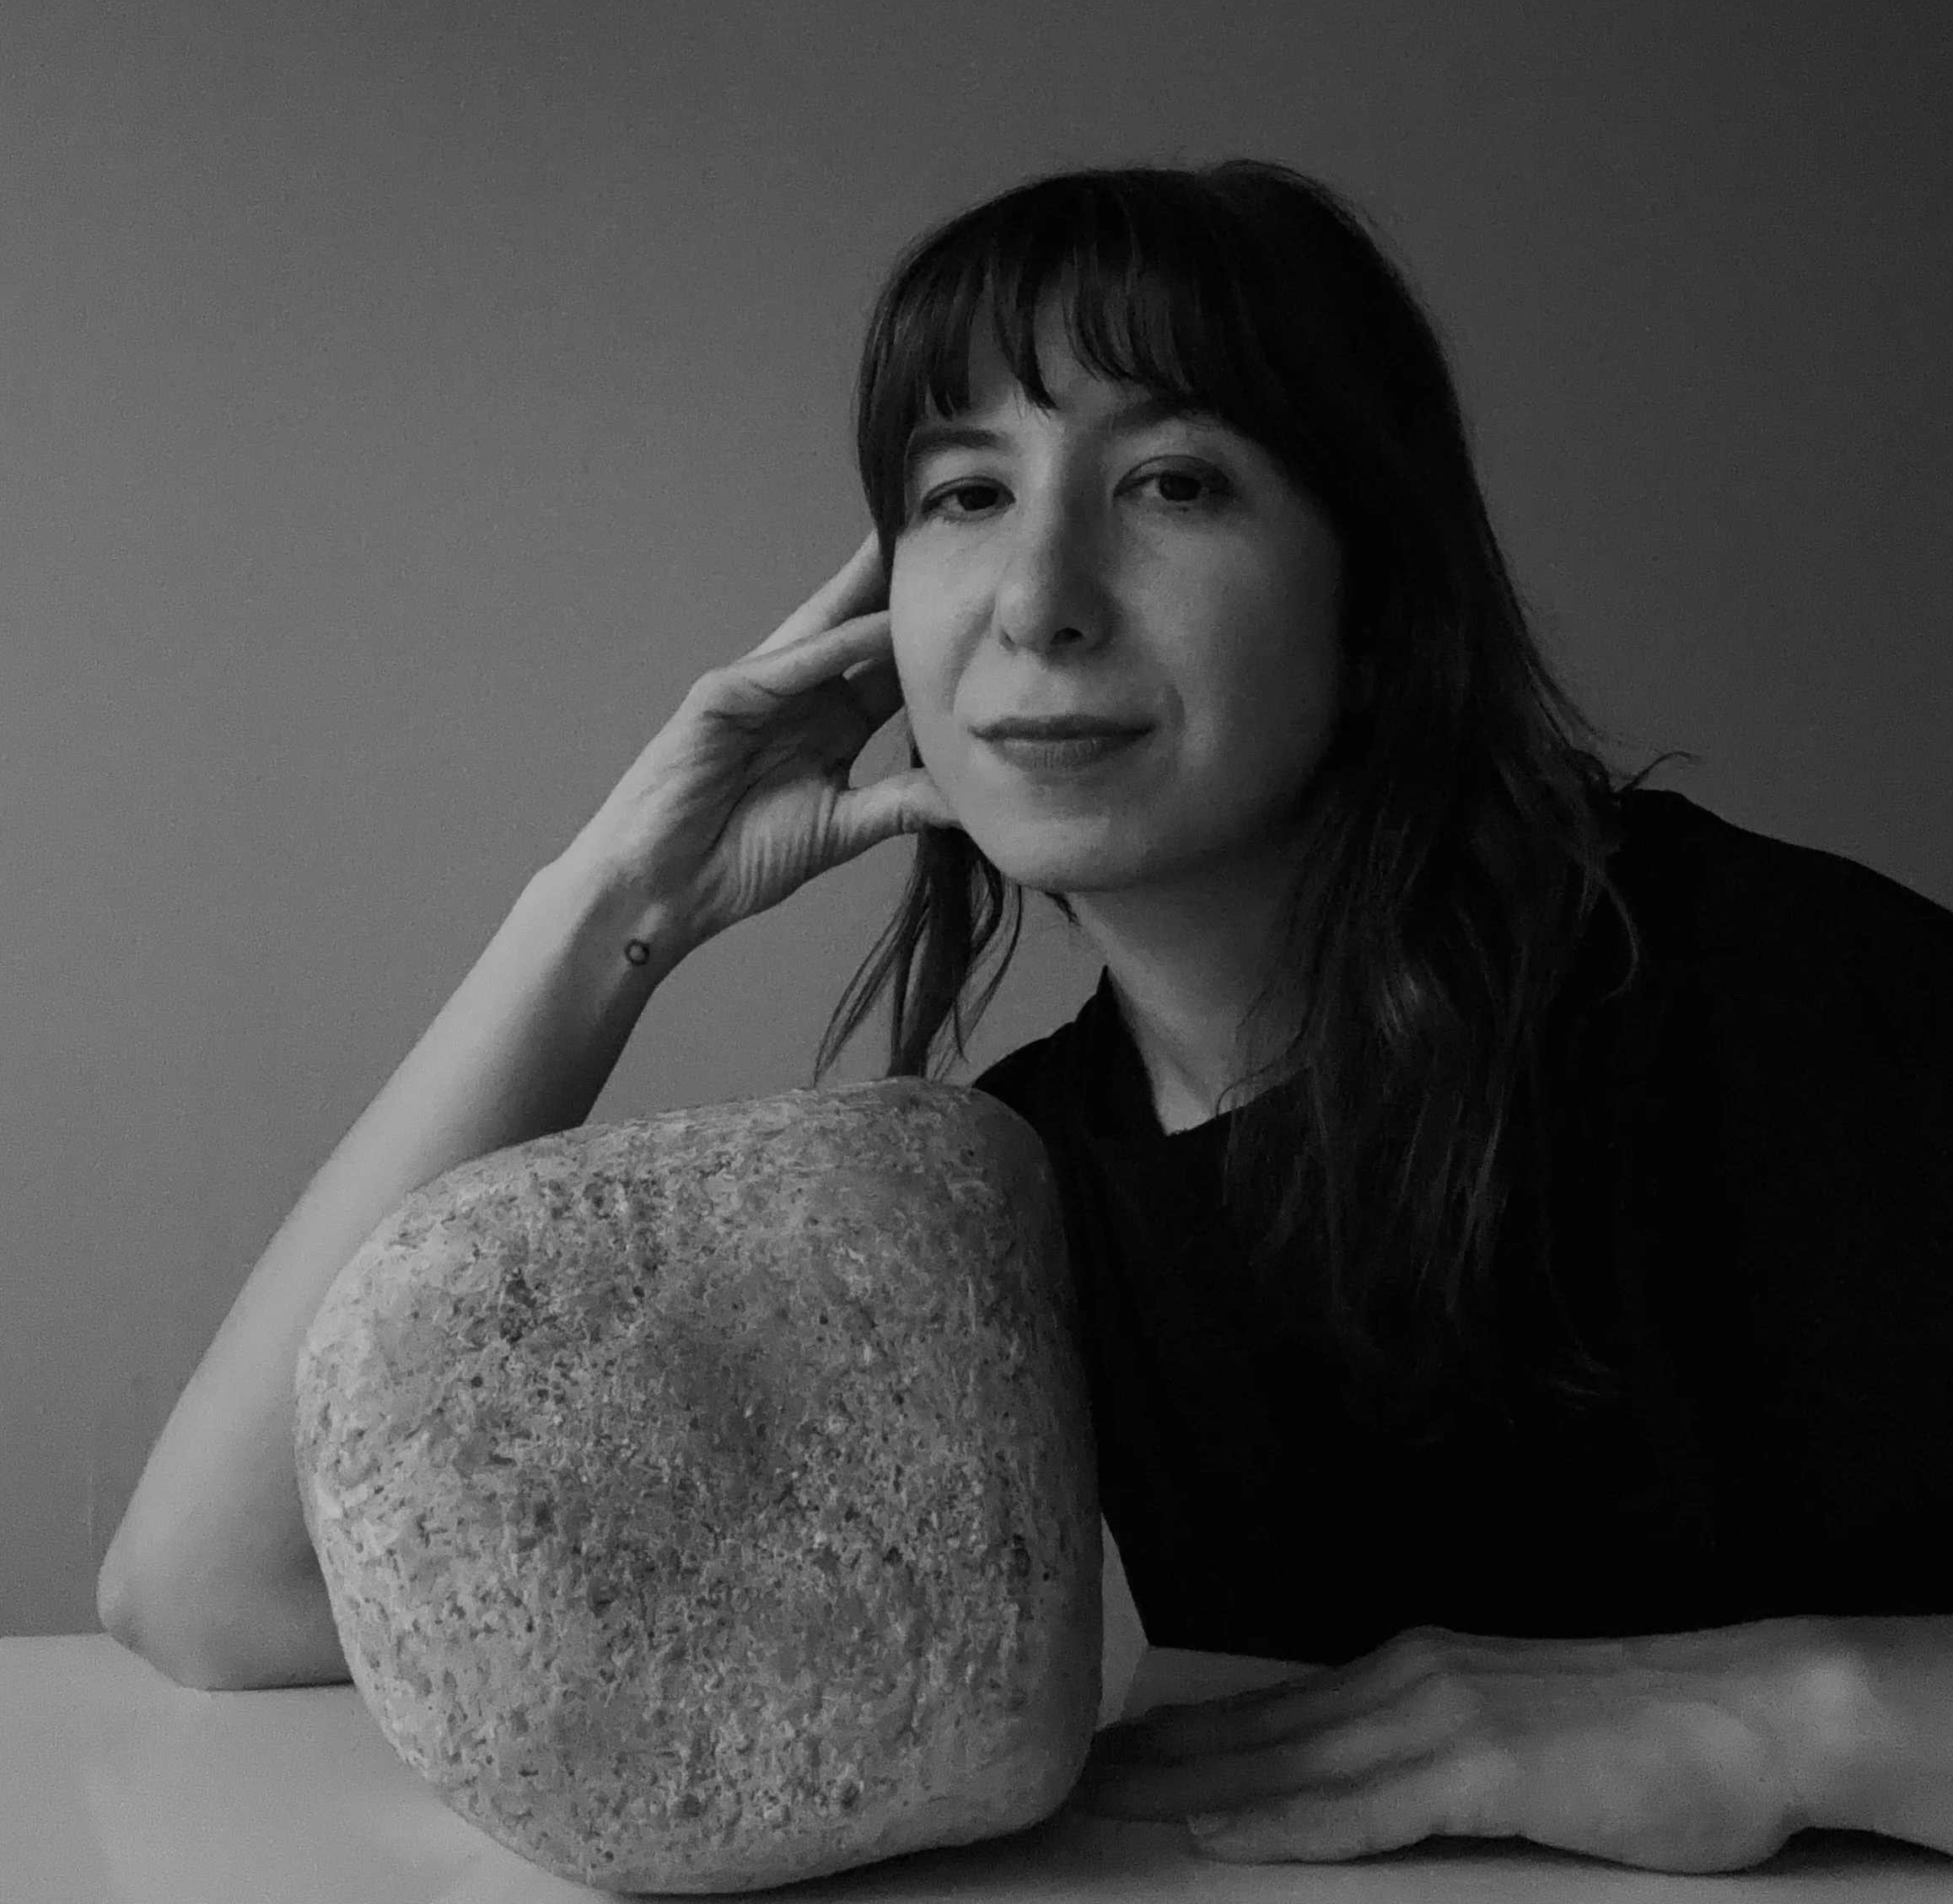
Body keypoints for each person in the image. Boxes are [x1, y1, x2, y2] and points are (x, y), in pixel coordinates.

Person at [99, 160, 1953, 1870]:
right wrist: (613, 906)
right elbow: (215, 1589)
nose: (1041, 602)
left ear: (1377, 603)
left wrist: (1805, 1708)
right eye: (965, 495)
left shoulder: (1784, 995)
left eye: (1175, 483)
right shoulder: (1019, 1193)